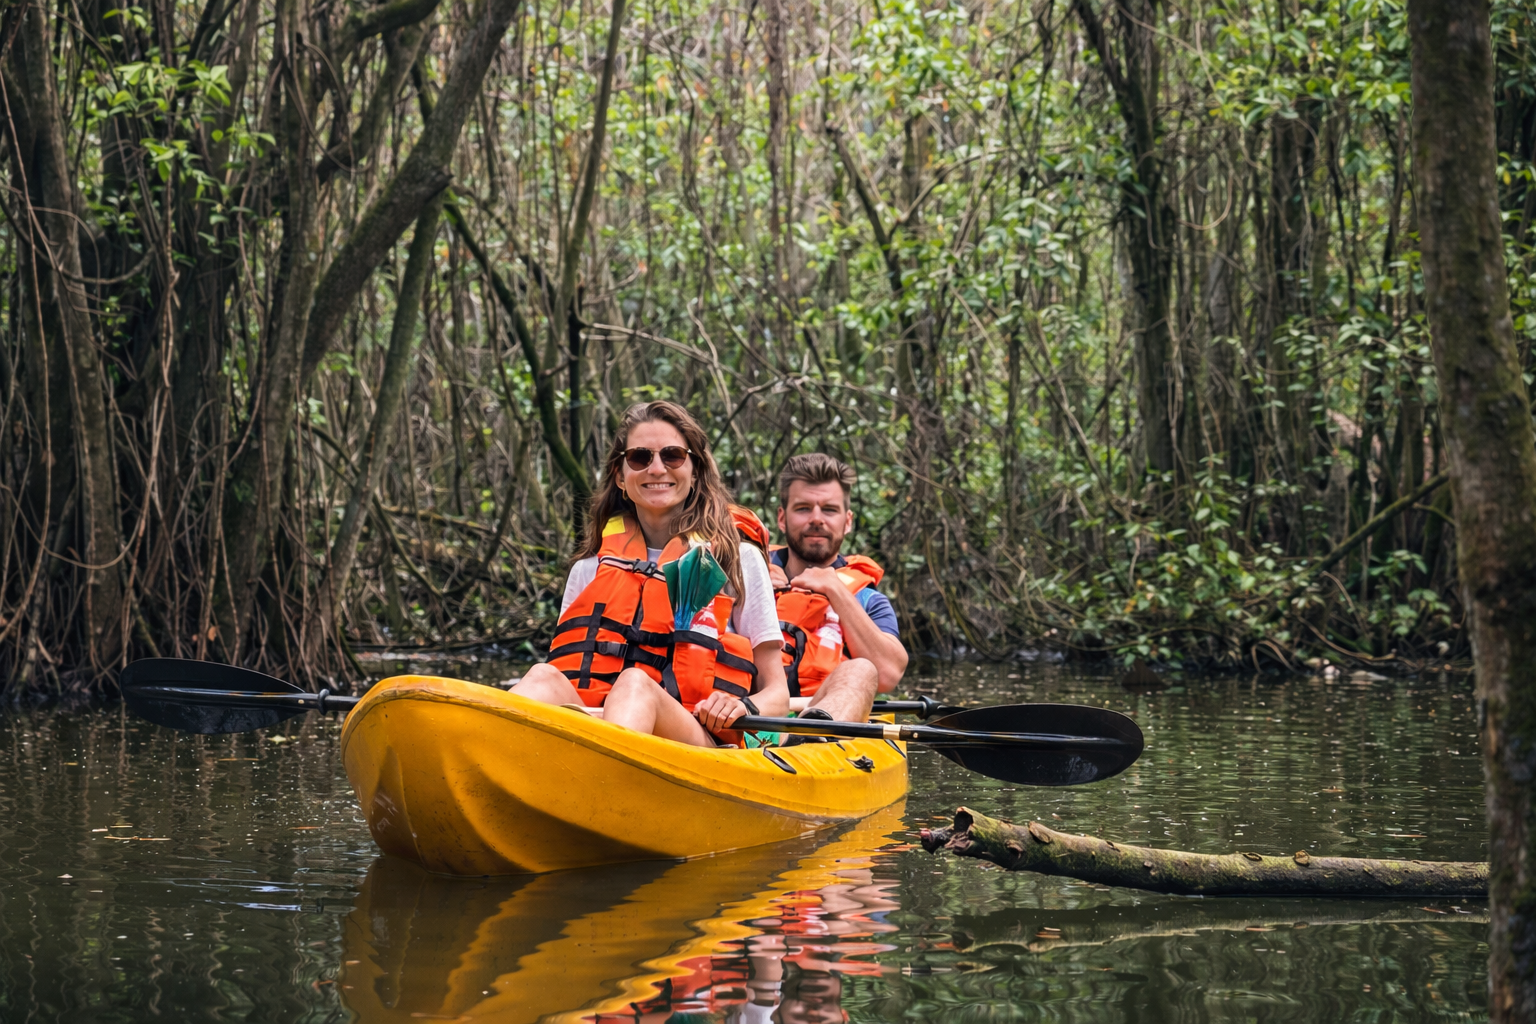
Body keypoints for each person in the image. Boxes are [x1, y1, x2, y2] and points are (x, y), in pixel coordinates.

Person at [508, 401, 788, 746]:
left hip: (697, 740)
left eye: (672, 456)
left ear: (695, 470)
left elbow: (778, 694)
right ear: (620, 476)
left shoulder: (737, 560)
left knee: (635, 683)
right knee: (542, 676)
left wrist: (739, 705)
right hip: (594, 725)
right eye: (640, 458)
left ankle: (607, 778)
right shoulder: (588, 569)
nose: (656, 469)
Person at [767, 454, 907, 732]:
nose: (816, 519)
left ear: (847, 521)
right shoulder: (742, 572)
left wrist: (835, 589)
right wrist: (747, 588)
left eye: (829, 510)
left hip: (823, 731)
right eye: (803, 508)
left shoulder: (869, 601)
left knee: (861, 670)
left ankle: (811, 738)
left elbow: (889, 674)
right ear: (782, 519)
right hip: (749, 717)